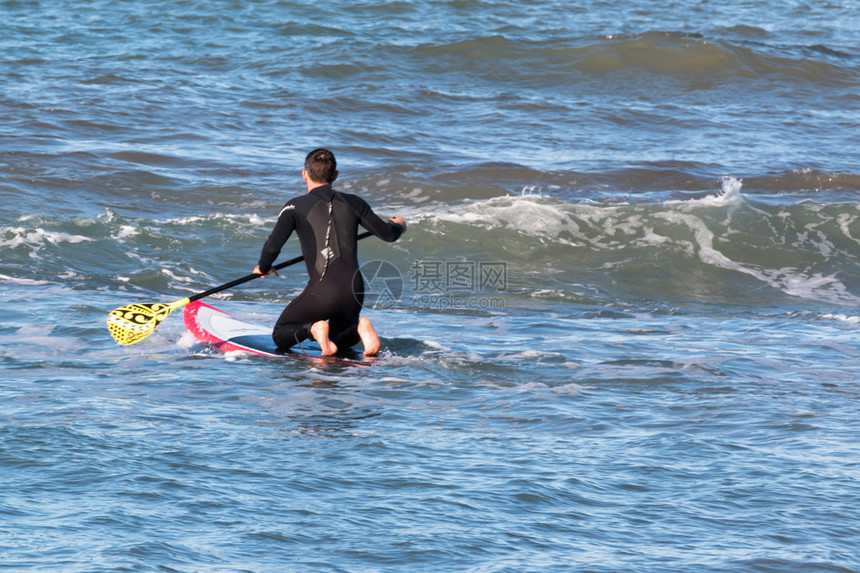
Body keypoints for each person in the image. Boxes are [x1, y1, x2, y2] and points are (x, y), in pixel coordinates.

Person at [253, 149, 406, 356]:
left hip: (324, 290)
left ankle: (314, 329)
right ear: (335, 176)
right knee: (341, 340)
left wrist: (263, 267)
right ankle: (360, 329)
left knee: (280, 334)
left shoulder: (294, 206)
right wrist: (397, 225)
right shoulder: (354, 202)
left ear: (304, 174)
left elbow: (273, 246)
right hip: (354, 288)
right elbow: (388, 234)